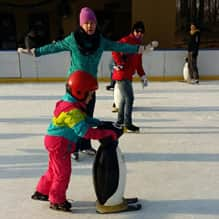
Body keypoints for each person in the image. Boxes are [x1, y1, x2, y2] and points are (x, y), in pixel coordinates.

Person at [17, 7, 157, 158]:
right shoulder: (73, 39)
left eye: (92, 23)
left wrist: (140, 49)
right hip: (74, 86)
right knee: (74, 117)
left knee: (87, 115)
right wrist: (34, 52)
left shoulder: (100, 41)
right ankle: (73, 147)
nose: (90, 26)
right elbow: (54, 47)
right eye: (87, 23)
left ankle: (85, 145)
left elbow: (118, 46)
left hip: (89, 86)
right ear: (81, 24)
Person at [31, 70, 118, 212]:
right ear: (79, 93)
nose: (90, 98)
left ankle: (42, 191)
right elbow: (84, 132)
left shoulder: (70, 104)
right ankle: (57, 200)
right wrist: (105, 133)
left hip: (54, 142)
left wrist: (97, 122)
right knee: (62, 174)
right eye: (90, 95)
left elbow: (82, 119)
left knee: (53, 170)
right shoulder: (71, 110)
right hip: (60, 145)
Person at [112, 21, 157, 133]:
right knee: (129, 98)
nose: (139, 34)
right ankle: (127, 124)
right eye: (137, 31)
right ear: (133, 31)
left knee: (123, 99)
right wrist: (119, 62)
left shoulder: (139, 47)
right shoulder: (127, 40)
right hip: (121, 75)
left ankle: (120, 122)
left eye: (142, 32)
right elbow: (115, 49)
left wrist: (143, 76)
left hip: (127, 76)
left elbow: (138, 63)